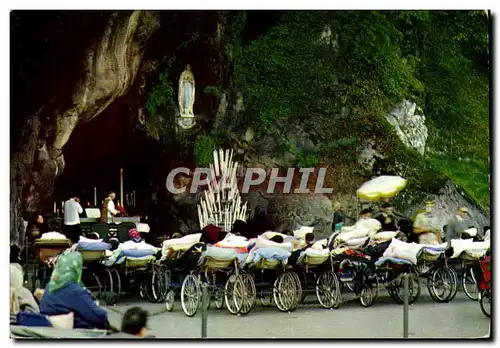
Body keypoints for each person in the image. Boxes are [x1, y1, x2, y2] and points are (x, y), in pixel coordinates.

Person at [39, 252, 108, 329]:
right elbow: (97, 316)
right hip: (73, 331)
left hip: (48, 329)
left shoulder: (50, 286)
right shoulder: (75, 291)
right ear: (77, 268)